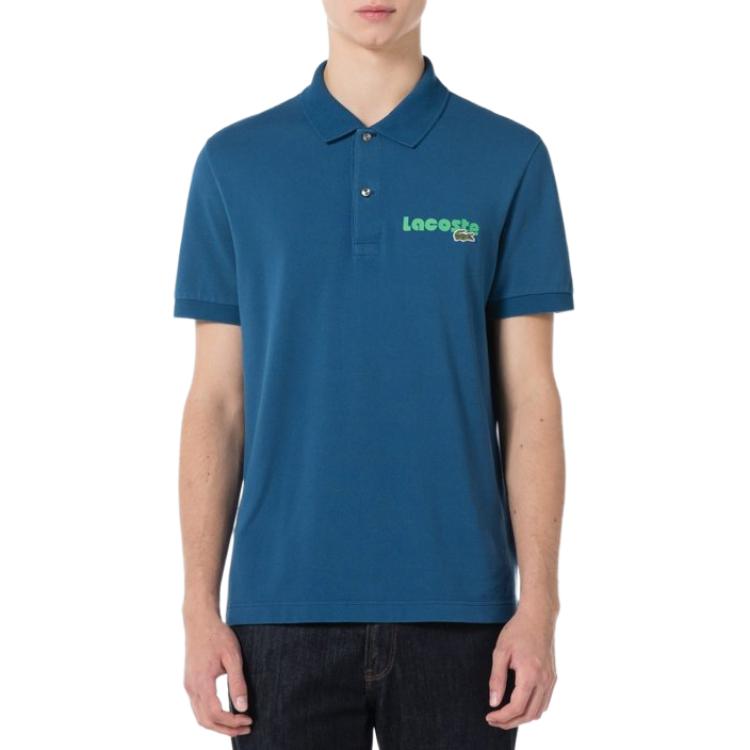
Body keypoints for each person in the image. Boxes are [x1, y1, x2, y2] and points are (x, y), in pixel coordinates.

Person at [173, 1, 574, 747]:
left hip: (465, 616)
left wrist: (541, 604)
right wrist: (199, 607)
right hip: (279, 616)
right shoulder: (234, 163)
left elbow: (530, 398)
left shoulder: (509, 157)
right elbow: (218, 402)